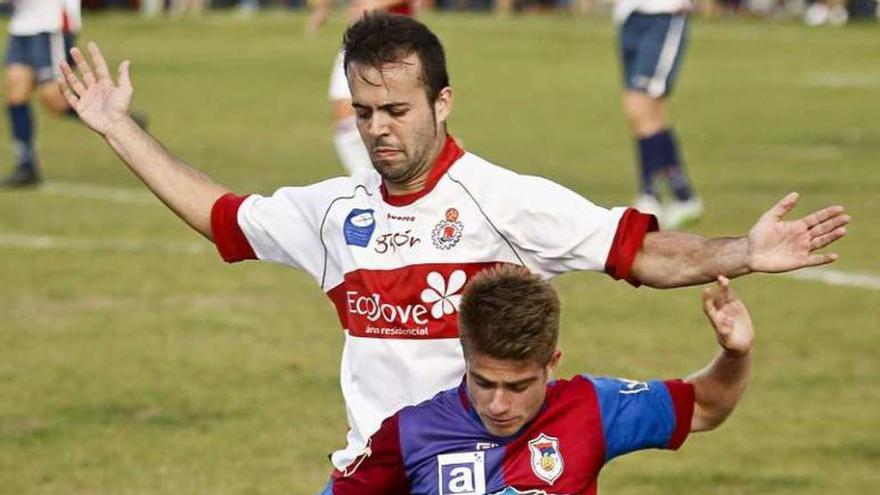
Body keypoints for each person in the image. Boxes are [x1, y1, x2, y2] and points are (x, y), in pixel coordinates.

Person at [58, 12, 848, 480]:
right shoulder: (335, 213)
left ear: (442, 100)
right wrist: (119, 128)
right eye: (364, 111)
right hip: (379, 475)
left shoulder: (508, 200)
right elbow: (223, 217)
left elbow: (637, 252)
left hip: (498, 476)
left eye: (396, 108)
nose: (378, 129)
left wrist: (743, 250)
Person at [325, 265, 753, 494]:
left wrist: (734, 354)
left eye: (517, 387)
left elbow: (703, 406)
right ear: (465, 357)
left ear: (552, 365)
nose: (497, 405)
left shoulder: (591, 408)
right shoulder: (410, 432)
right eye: (484, 382)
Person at [614, 0, 702, 228]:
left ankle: (650, 195)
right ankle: (682, 195)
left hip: (662, 14)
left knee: (640, 106)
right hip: (630, 16)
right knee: (647, 113)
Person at [307, 0, 418, 175]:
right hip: (361, 36)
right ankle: (366, 182)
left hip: (394, 37)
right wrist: (323, 9)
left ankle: (383, 181)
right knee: (346, 112)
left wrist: (373, 4)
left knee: (389, 111)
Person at [2, 0, 69, 187]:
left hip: (46, 27)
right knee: (15, 96)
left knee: (52, 99)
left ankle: (118, 119)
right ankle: (25, 166)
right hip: (20, 28)